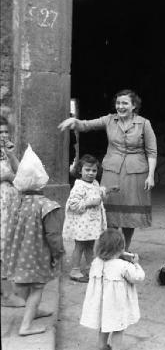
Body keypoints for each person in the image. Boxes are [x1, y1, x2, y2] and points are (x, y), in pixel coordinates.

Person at [58, 89, 157, 251]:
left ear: (134, 106)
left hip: (136, 173)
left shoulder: (144, 124)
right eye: (118, 103)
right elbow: (87, 125)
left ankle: (124, 249)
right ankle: (112, 248)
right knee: (109, 213)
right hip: (112, 170)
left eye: (125, 103)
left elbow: (152, 151)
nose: (120, 106)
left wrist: (151, 175)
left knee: (129, 216)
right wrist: (74, 122)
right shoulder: (110, 120)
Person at [3, 145, 64, 336]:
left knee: (24, 285)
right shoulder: (47, 206)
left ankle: (33, 311)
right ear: (42, 180)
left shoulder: (15, 202)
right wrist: (59, 253)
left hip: (18, 255)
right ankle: (26, 326)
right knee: (37, 288)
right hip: (38, 255)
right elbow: (53, 236)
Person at [80, 229, 145, 350]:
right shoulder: (123, 265)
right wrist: (136, 264)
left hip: (101, 304)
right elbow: (138, 277)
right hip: (116, 304)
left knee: (104, 325)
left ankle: (101, 346)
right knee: (118, 328)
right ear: (121, 248)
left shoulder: (95, 262)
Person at [63, 154, 118, 282]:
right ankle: (75, 270)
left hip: (91, 224)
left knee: (90, 245)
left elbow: (98, 192)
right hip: (82, 224)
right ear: (80, 171)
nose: (90, 173)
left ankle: (90, 268)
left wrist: (108, 190)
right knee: (80, 246)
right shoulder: (79, 186)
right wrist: (90, 203)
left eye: (94, 170)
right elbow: (73, 204)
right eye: (87, 170)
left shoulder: (94, 183)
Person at [0, 116, 26, 307]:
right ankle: (7, 295)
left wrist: (11, 155)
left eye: (5, 131)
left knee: (9, 243)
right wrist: (5, 176)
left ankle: (8, 290)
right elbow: (9, 175)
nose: (3, 135)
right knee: (3, 245)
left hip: (10, 202)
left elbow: (20, 174)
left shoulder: (6, 152)